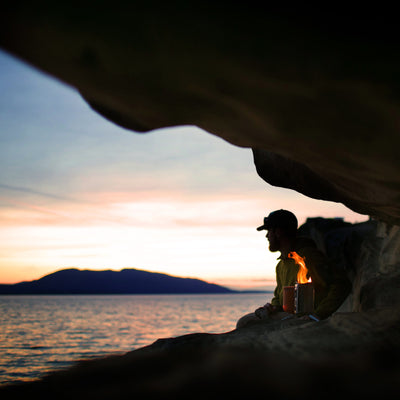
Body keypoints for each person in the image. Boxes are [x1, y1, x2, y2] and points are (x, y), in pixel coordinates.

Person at [236, 209, 351, 329]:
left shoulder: (308, 256)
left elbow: (342, 285)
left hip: (303, 319)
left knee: (245, 323)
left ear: (278, 232)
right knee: (246, 321)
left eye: (269, 231)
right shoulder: (281, 265)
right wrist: (273, 307)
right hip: (287, 316)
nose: (267, 236)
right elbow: (279, 298)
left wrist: (318, 315)